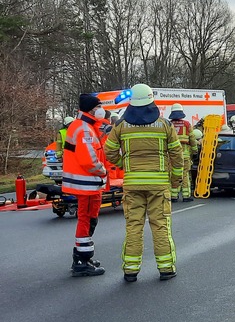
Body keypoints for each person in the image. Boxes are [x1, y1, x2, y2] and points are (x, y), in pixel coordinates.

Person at [104, 83, 183, 283]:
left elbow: (109, 152)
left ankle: (130, 270)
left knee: (133, 227)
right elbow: (177, 155)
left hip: (132, 185)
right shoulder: (165, 125)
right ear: (151, 100)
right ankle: (166, 269)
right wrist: (175, 180)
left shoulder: (121, 126)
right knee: (160, 226)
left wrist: (126, 165)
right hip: (158, 185)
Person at [62, 94, 108, 277]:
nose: (101, 109)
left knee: (89, 219)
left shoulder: (86, 126)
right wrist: (103, 171)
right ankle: (82, 261)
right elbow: (89, 160)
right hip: (86, 183)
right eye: (98, 106)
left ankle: (83, 257)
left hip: (88, 184)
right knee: (86, 219)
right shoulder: (84, 130)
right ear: (91, 109)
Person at [168, 103, 198, 202]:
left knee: (173, 175)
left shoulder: (169, 124)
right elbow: (192, 139)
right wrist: (195, 151)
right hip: (184, 155)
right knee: (184, 175)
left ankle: (173, 196)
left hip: (171, 156)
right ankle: (186, 196)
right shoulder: (187, 124)